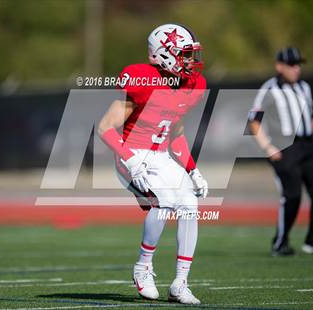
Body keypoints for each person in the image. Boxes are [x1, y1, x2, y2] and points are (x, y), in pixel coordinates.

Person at [98, 24, 208, 304]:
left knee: (190, 205)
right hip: (131, 153)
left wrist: (192, 169)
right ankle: (142, 267)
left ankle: (180, 283)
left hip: (160, 156)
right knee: (164, 201)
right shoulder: (141, 79)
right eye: (184, 54)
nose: (190, 61)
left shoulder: (192, 85)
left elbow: (176, 134)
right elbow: (106, 128)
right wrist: (131, 160)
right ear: (165, 54)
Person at [249, 47, 313, 258]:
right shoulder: (269, 88)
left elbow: (311, 116)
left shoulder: (304, 87)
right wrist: (268, 147)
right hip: (285, 147)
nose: (297, 69)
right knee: (292, 195)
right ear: (280, 66)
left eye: (298, 65)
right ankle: (280, 243)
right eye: (292, 65)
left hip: (309, 146)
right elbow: (253, 122)